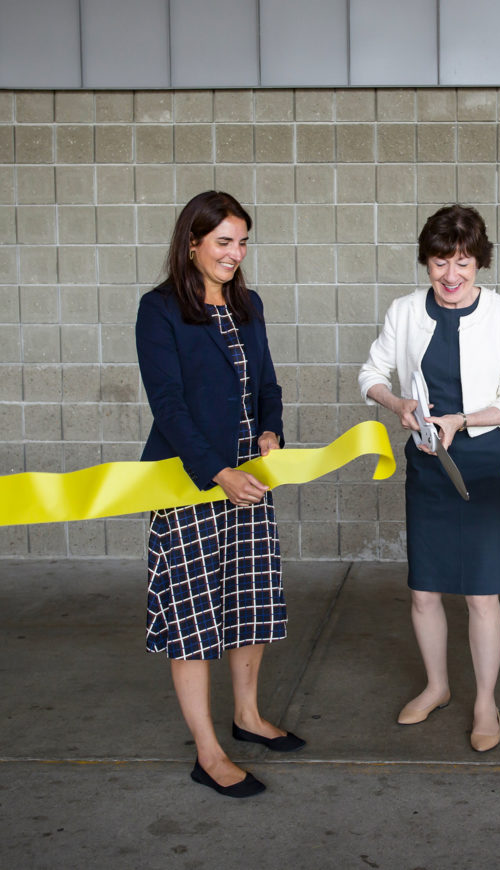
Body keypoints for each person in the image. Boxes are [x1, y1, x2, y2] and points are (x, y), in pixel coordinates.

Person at [136, 191, 304, 799]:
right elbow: (169, 406)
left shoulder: (247, 303)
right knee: (193, 616)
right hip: (190, 484)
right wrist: (216, 474)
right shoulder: (159, 311)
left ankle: (248, 717)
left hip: (248, 481)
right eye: (224, 242)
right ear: (193, 243)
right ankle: (208, 752)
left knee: (248, 602)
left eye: (242, 242)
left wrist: (270, 429)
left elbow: (267, 383)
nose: (235, 254)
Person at [358, 204, 500, 753]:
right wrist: (398, 402)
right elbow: (370, 375)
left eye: (462, 262)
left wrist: (462, 419)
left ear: (479, 262)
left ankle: (485, 700)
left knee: (482, 594)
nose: (451, 276)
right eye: (439, 262)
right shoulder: (405, 312)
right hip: (428, 463)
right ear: (426, 263)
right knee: (425, 589)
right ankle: (436, 686)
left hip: (487, 463)